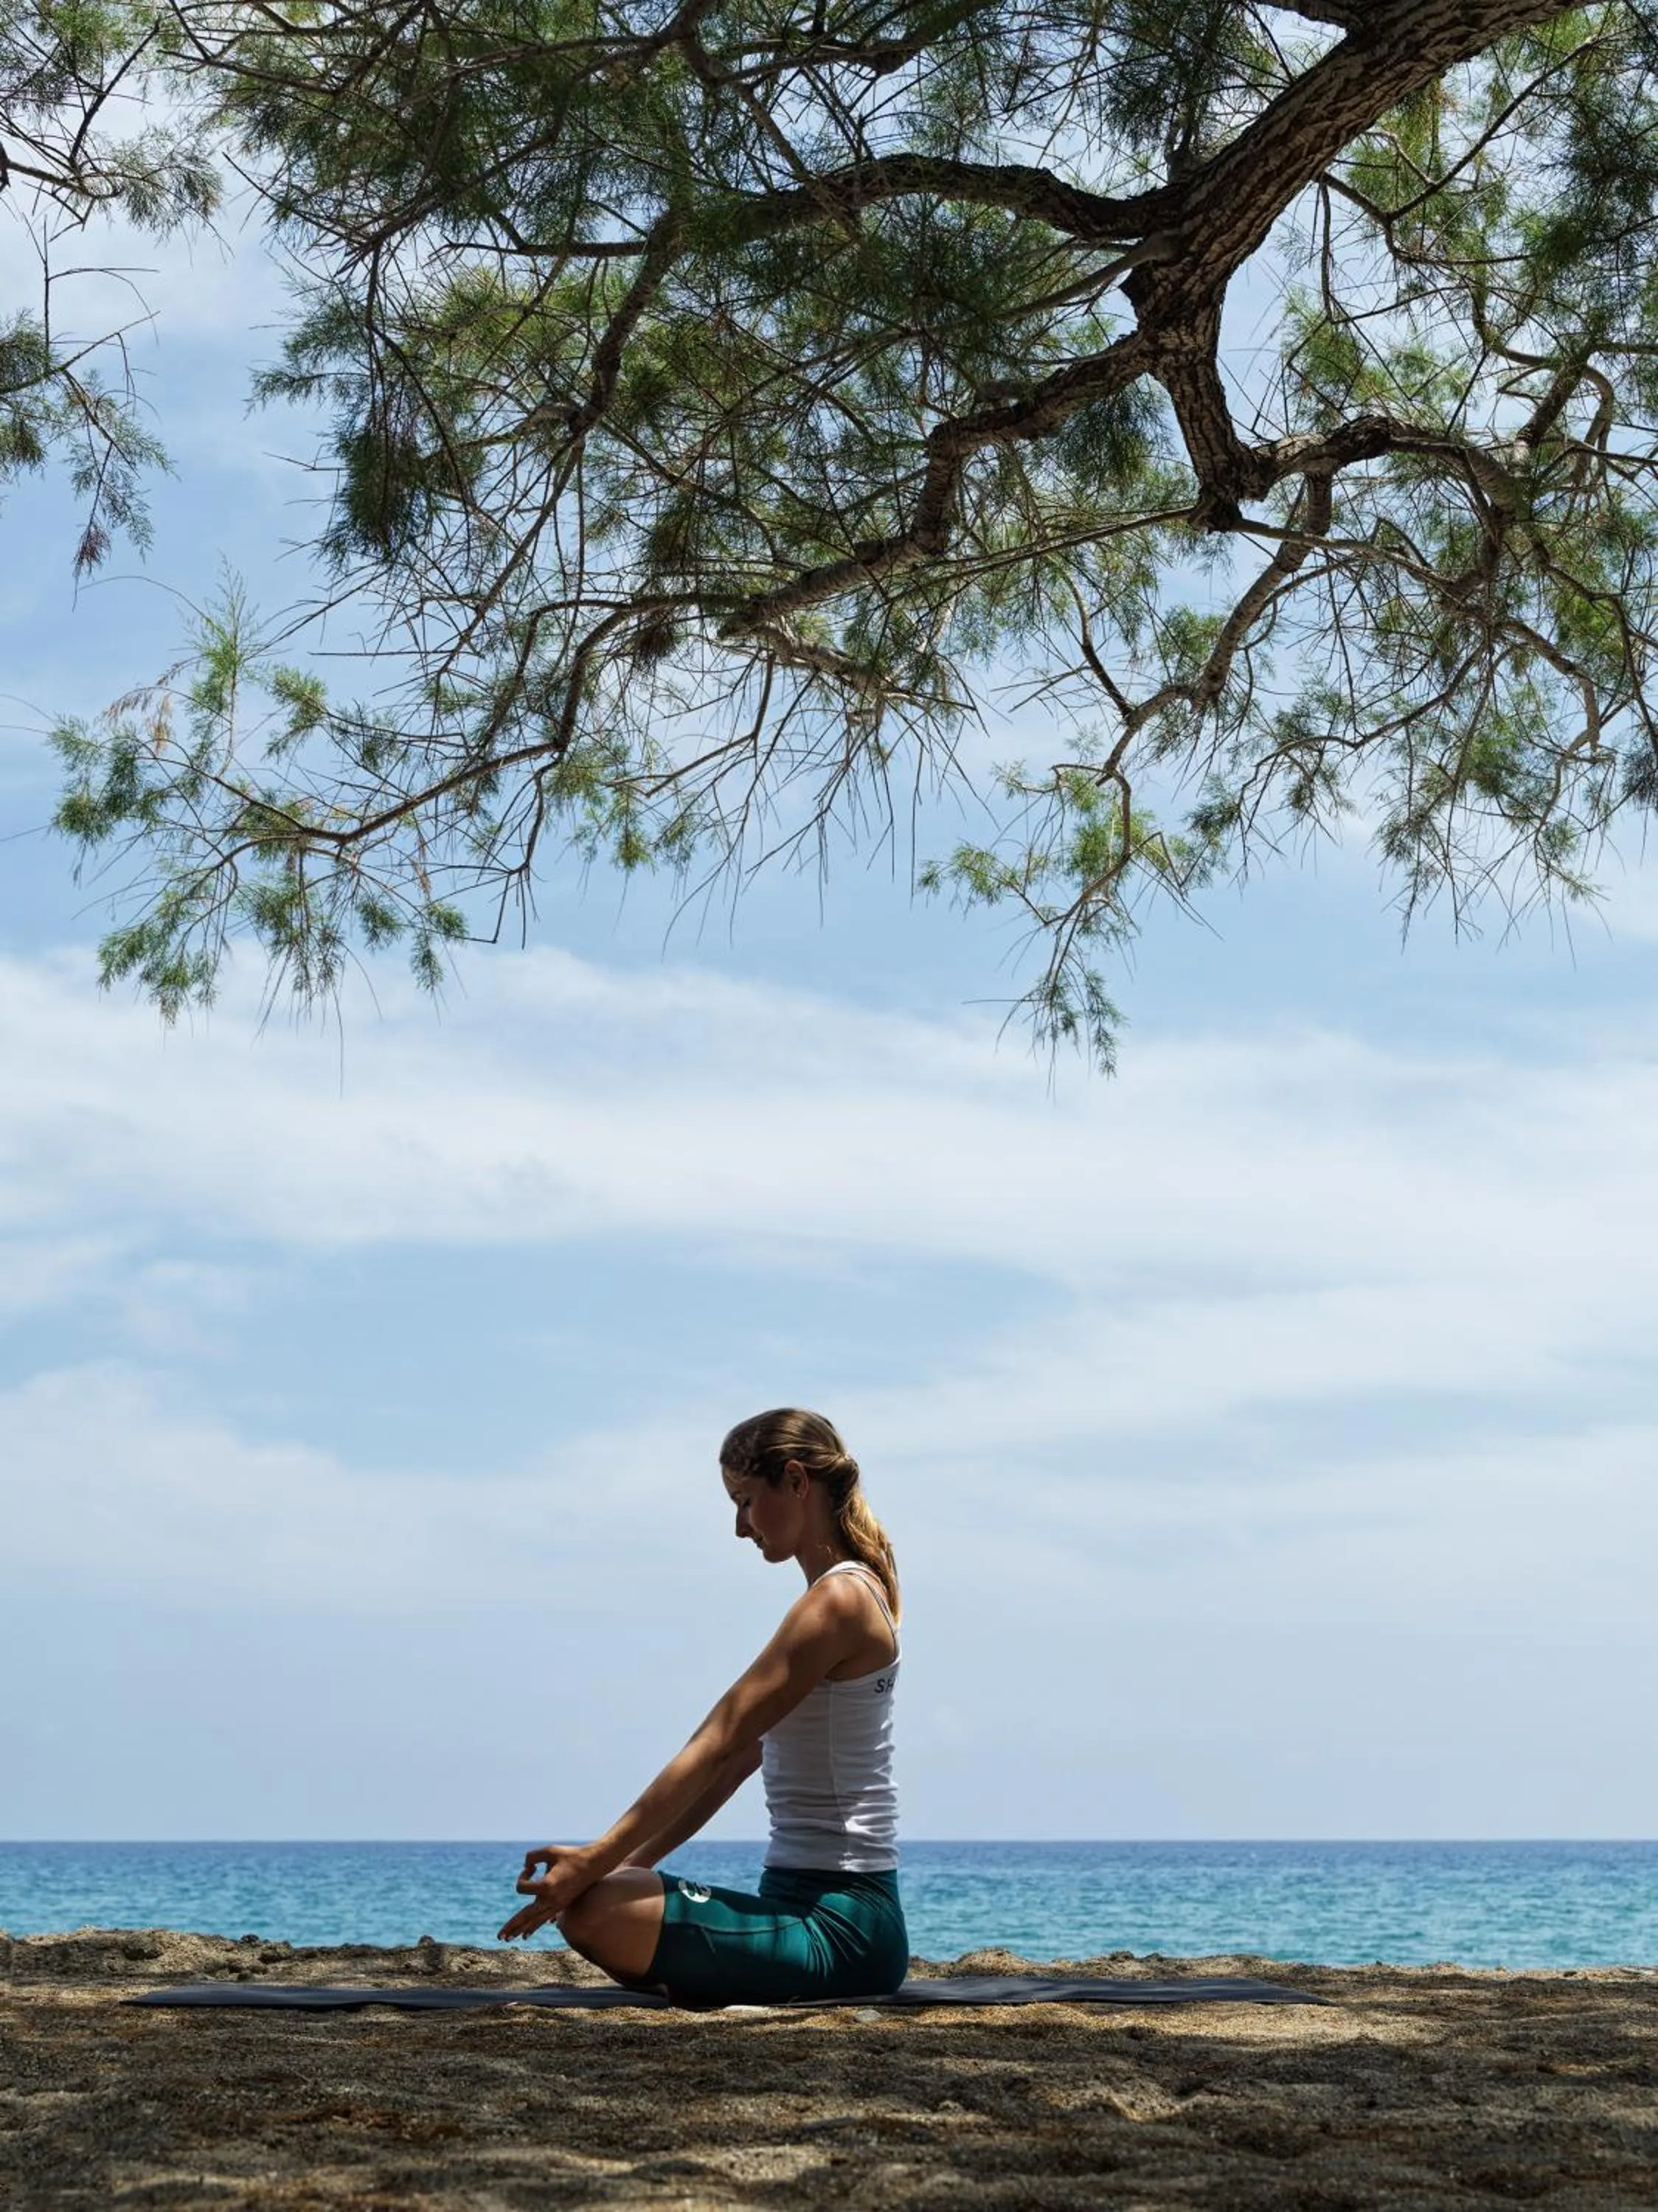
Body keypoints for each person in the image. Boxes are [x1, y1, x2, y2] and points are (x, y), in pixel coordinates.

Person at [498, 1407, 906, 2005]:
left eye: (744, 1500)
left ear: (795, 1481)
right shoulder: (839, 1593)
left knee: (596, 1913)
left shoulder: (840, 1600)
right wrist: (623, 1864)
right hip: (801, 1906)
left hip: (846, 1928)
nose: (741, 1527)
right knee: (603, 1898)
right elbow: (741, 1757)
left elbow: (717, 1742)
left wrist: (594, 1862)